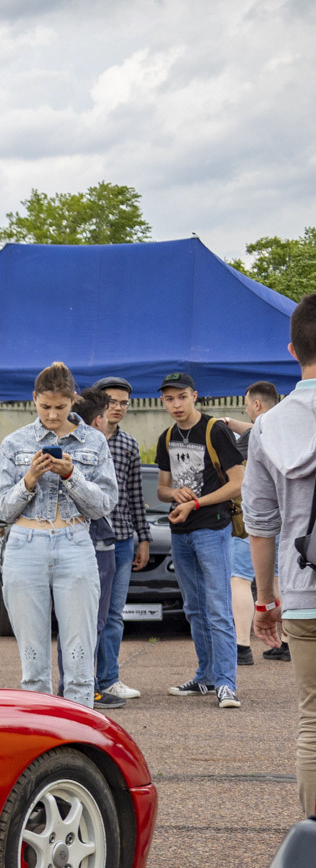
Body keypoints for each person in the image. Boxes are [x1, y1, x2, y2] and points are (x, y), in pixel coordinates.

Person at [0, 362, 117, 706]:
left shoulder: (94, 441)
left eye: (60, 407)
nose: (51, 414)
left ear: (73, 401)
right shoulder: (13, 443)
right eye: (45, 406)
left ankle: (81, 739)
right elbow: (1, 510)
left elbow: (104, 505)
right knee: (32, 663)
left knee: (79, 659)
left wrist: (72, 475)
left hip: (75, 541)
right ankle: (41, 739)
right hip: (24, 544)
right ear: (34, 400)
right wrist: (29, 479)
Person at [242, 293, 316, 814]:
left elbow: (261, 526)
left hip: (303, 588)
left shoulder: (268, 426)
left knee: (313, 722)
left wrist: (266, 599)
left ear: (293, 350)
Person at [156, 370, 246, 708]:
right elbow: (163, 489)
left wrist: (196, 502)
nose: (176, 404)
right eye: (169, 398)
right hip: (180, 532)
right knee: (194, 608)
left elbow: (238, 482)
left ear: (195, 395)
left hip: (212, 525)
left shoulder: (214, 430)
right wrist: (173, 494)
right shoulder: (166, 437)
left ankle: (227, 683)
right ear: (162, 401)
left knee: (218, 608)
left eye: (181, 396)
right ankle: (205, 677)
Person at [88, 376, 150, 700]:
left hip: (123, 537)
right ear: (99, 402)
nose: (118, 408)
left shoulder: (129, 444)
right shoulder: (81, 440)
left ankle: (109, 678)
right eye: (112, 401)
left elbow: (137, 495)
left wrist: (144, 537)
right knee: (87, 614)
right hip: (87, 539)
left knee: (113, 613)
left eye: (124, 402)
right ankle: (84, 683)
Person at [221, 381, 284, 663]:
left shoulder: (251, 439)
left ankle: (241, 645)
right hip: (290, 518)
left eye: (247, 405)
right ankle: (285, 641)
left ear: (256, 405)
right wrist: (233, 423)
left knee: (240, 579)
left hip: (254, 519)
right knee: (281, 578)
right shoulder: (287, 428)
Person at [71, 389, 124, 708]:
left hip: (95, 541)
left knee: (88, 621)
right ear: (97, 420)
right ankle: (81, 689)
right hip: (93, 543)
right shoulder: (91, 447)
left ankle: (80, 686)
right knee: (91, 621)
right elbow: (103, 501)